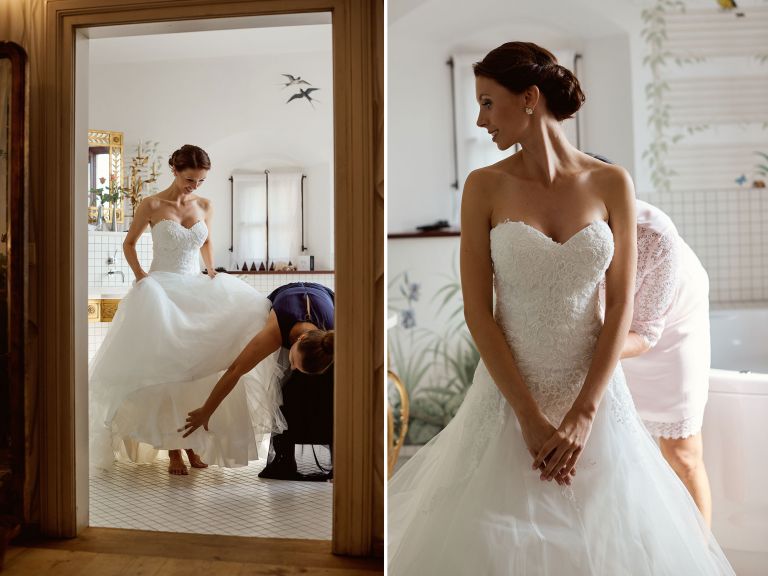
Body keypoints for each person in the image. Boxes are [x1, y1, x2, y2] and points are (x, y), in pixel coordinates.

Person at [387, 42, 734, 574]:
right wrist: (527, 417)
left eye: (487, 103)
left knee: (610, 535)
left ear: (529, 98)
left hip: (594, 398)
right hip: (509, 398)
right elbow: (478, 312)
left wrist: (584, 414)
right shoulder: (483, 187)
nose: (480, 121)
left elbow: (621, 306)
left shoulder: (612, 183)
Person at [89, 145, 283, 476]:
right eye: (190, 179)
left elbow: (205, 242)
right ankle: (173, 450)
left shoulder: (204, 205)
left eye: (201, 181)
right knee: (169, 371)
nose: (195, 186)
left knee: (200, 369)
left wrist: (211, 270)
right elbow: (128, 243)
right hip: (161, 292)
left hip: (196, 288)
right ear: (175, 171)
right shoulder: (151, 205)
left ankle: (193, 443)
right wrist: (141, 276)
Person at [621, 198, 713, 525]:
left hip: (673, 323)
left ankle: (699, 553)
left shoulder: (652, 229)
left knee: (683, 455)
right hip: (607, 328)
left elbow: (647, 331)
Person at [182, 282, 335, 479]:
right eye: (294, 362)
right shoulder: (274, 333)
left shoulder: (331, 340)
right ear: (300, 339)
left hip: (325, 299)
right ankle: (283, 458)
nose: (293, 368)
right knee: (285, 387)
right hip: (286, 296)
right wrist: (206, 411)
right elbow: (235, 371)